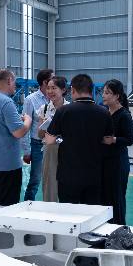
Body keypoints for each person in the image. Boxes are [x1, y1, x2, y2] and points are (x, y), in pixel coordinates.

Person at [45, 74, 113, 205]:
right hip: (94, 173)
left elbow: (49, 140)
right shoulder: (104, 112)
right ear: (91, 90)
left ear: (73, 90)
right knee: (91, 211)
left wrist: (61, 139)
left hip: (68, 174)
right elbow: (108, 140)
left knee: (69, 212)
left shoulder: (63, 111)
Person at [0, 69, 32, 206]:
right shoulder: (6, 102)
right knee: (8, 206)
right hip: (6, 165)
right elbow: (19, 132)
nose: (15, 86)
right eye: (14, 82)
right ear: (9, 80)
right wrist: (28, 120)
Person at [100, 79, 133, 225]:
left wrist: (114, 140)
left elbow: (129, 139)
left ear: (117, 96)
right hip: (104, 161)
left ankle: (119, 228)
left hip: (117, 163)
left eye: (107, 93)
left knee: (116, 198)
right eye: (103, 92)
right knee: (105, 197)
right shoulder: (104, 112)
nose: (103, 95)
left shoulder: (124, 115)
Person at [22, 69, 54, 201]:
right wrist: (26, 151)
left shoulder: (56, 98)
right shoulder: (31, 100)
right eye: (52, 78)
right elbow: (25, 125)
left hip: (55, 143)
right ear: (45, 82)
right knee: (35, 179)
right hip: (37, 144)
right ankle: (28, 204)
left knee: (54, 177)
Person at [37, 76, 67, 202]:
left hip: (67, 150)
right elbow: (40, 135)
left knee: (67, 184)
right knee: (49, 184)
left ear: (63, 90)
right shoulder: (44, 109)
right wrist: (44, 125)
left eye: (54, 88)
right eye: (48, 88)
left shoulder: (70, 108)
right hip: (49, 150)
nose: (50, 91)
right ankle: (49, 210)